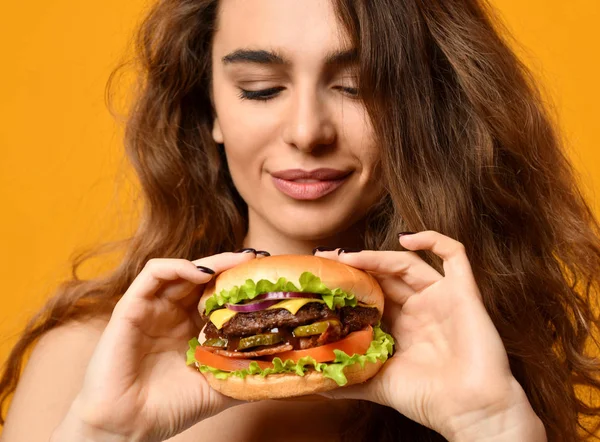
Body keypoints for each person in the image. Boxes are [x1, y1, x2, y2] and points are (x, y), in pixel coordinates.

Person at [1, 0, 599, 440]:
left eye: (357, 86)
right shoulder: (84, 367)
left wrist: (492, 427)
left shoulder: (482, 361)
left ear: (421, 108)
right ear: (209, 107)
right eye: (261, 89)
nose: (308, 131)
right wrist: (103, 434)